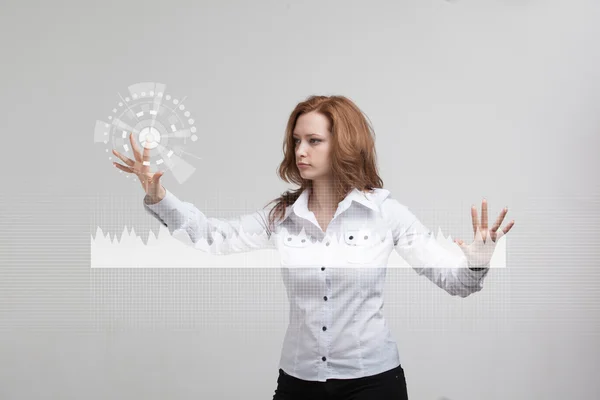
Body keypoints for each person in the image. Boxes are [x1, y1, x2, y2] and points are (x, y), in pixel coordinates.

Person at [112, 95, 515, 400]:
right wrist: (159, 195)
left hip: (373, 384)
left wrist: (477, 263)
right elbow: (211, 237)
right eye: (297, 140)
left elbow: (454, 281)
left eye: (314, 140)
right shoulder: (280, 216)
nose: (300, 150)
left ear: (344, 144)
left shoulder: (386, 213)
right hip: (298, 383)